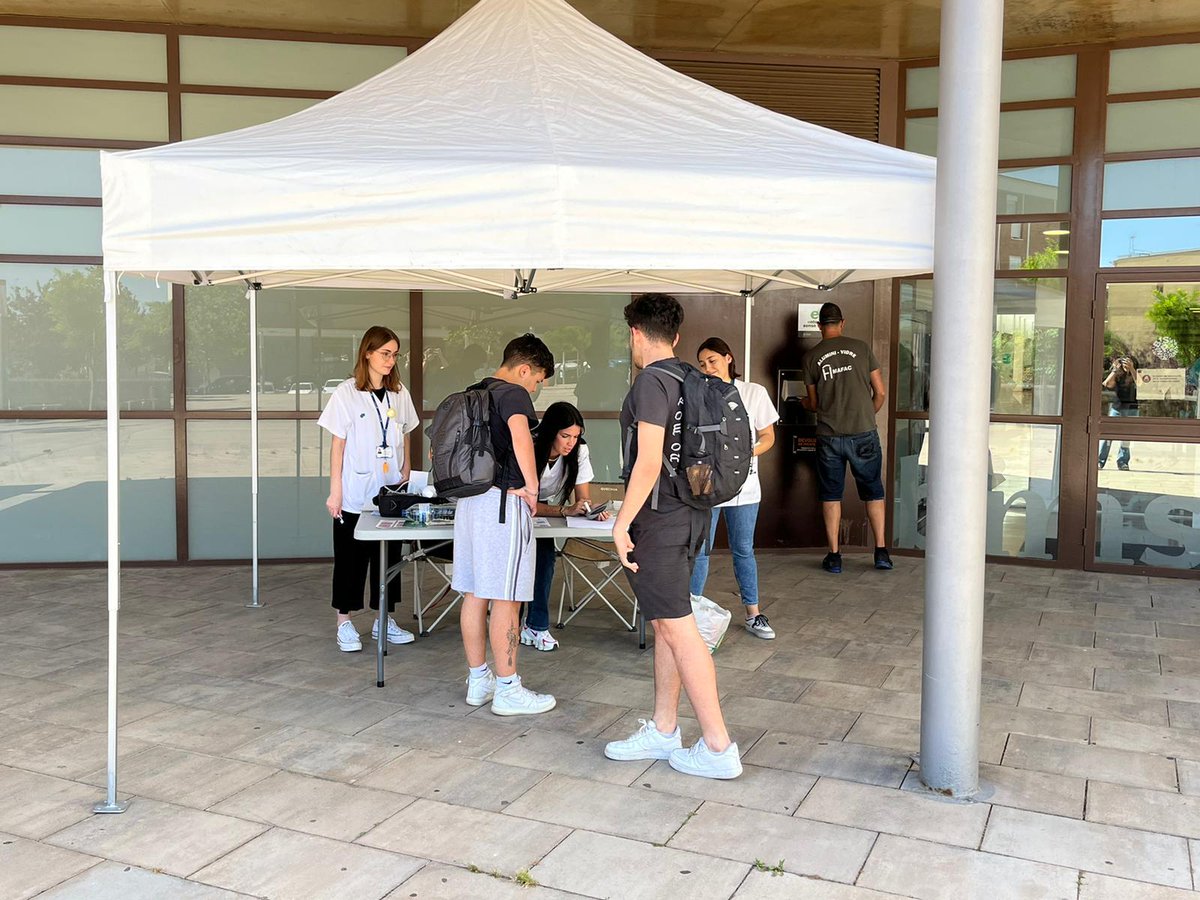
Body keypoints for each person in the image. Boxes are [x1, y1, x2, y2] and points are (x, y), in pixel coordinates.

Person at [605, 293, 742, 780]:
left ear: (636, 334)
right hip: (692, 515)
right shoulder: (689, 376)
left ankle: (718, 746)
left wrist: (621, 523)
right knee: (667, 622)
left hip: (660, 520)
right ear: (677, 336)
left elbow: (647, 461)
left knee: (680, 630)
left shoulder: (649, 382)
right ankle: (665, 730)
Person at [452, 333, 558, 716]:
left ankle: (479, 680)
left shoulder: (473, 392)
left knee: (475, 593)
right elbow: (520, 437)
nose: (537, 388)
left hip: (469, 503)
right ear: (524, 368)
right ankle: (509, 688)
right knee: (507, 598)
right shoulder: (513, 393)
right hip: (502, 503)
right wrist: (532, 488)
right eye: (538, 379)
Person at [318, 325, 420, 651]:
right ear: (368, 353)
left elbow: (405, 432)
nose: (390, 360)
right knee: (349, 558)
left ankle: (384, 620)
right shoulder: (346, 393)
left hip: (390, 488)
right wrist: (335, 492)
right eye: (384, 353)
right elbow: (337, 446)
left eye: (394, 355)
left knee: (388, 557)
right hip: (355, 490)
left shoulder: (400, 393)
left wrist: (405, 469)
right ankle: (344, 621)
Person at [690, 337, 780, 639]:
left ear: (729, 358)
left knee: (743, 549)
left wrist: (745, 454)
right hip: (704, 480)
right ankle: (690, 614)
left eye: (713, 360)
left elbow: (768, 436)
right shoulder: (696, 394)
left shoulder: (753, 392)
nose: (708, 368)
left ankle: (753, 614)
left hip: (745, 482)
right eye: (702, 364)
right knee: (700, 550)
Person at [800, 302, 892, 575]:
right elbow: (881, 393)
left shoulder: (811, 357)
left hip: (829, 436)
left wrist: (804, 403)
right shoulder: (861, 348)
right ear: (842, 322)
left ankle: (835, 556)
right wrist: (865, 414)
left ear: (819, 326)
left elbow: (814, 402)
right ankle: (881, 552)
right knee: (873, 491)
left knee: (831, 495)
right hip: (863, 432)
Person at [525, 401, 610, 651]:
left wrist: (589, 510)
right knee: (529, 560)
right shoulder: (528, 446)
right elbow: (524, 501)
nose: (571, 442)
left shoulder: (579, 451)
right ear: (551, 431)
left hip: (542, 512)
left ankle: (535, 626)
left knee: (544, 557)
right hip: (515, 506)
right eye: (565, 436)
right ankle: (521, 624)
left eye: (575, 436)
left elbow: (581, 498)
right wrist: (564, 510)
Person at [1099, 355, 1138, 471]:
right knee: (1107, 435)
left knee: (1126, 437)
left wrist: (1131, 369)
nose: (1126, 364)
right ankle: (1099, 460)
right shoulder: (1118, 375)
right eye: (1125, 362)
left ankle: (1123, 461)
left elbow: (1140, 384)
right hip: (1117, 408)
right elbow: (1106, 383)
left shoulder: (1136, 373)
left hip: (1132, 408)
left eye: (1129, 362)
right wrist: (1115, 370)